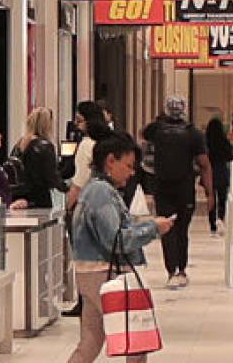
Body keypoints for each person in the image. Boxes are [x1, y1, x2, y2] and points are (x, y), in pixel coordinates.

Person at [67, 132, 174, 363]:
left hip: (91, 273)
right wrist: (153, 230)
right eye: (128, 165)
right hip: (105, 274)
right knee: (134, 339)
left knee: (91, 340)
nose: (132, 171)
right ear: (110, 161)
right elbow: (116, 240)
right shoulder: (101, 192)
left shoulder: (94, 189)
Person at [140, 96, 214, 288]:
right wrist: (210, 191)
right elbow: (204, 164)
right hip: (184, 187)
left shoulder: (156, 130)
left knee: (166, 229)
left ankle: (171, 270)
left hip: (162, 186)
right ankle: (181, 269)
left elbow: (143, 134)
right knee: (182, 230)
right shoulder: (193, 133)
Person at [13, 107, 64, 209]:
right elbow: (50, 176)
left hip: (20, 196)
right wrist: (66, 188)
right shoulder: (45, 146)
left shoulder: (20, 144)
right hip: (40, 197)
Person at [68, 102, 112, 209]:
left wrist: (69, 208)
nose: (75, 124)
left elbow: (79, 182)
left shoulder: (86, 145)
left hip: (88, 204)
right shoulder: (107, 142)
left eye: (79, 120)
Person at [204, 117, 233, 236]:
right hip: (221, 172)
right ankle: (220, 220)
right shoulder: (224, 142)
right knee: (222, 199)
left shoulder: (205, 142)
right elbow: (230, 156)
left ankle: (212, 225)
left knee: (211, 199)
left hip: (209, 173)